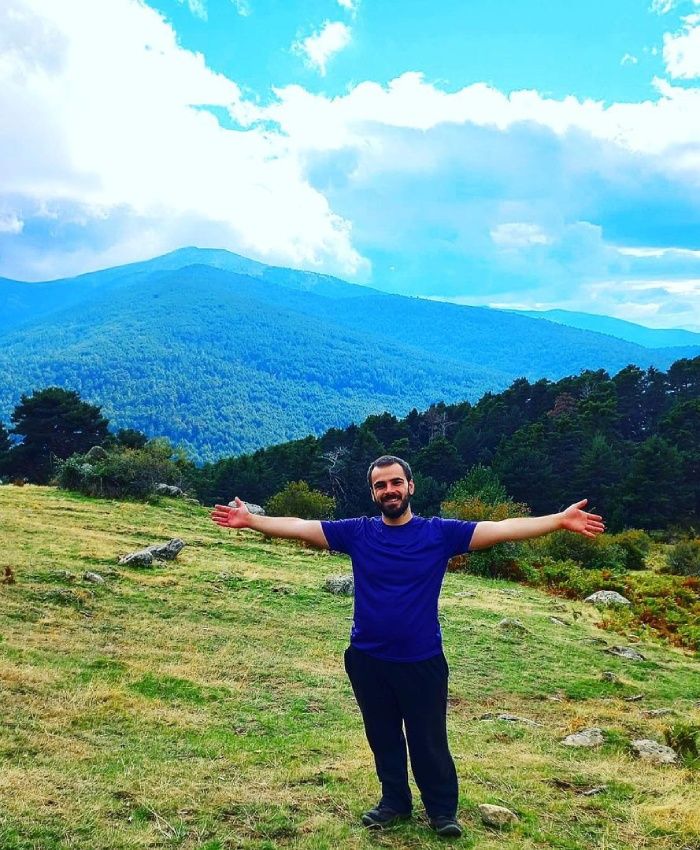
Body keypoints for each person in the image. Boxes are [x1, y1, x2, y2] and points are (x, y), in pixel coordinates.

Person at [210, 455, 604, 839]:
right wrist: (251, 521)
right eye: (381, 485)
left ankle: (442, 811)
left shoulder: (439, 534)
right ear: (373, 493)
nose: (389, 490)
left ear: (410, 486)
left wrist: (558, 520)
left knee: (428, 740)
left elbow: (501, 528)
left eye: (396, 482)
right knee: (382, 736)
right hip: (367, 659)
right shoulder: (357, 532)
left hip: (421, 661)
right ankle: (394, 802)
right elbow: (301, 526)